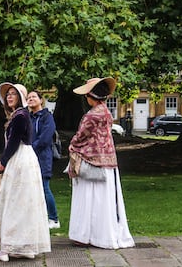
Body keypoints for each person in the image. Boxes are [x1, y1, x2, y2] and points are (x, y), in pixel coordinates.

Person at [67, 77, 135, 249]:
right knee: (104, 201)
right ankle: (102, 235)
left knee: (87, 198)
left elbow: (81, 136)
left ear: (91, 96)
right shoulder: (106, 112)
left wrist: (72, 145)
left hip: (91, 162)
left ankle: (84, 235)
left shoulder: (91, 116)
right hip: (108, 162)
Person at [0, 82, 51, 262]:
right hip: (25, 158)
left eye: (13, 94)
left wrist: (2, 162)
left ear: (21, 97)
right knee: (23, 201)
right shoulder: (21, 115)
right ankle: (24, 246)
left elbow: (13, 142)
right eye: (8, 94)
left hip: (20, 159)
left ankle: (7, 248)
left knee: (14, 201)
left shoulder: (20, 116)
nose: (9, 97)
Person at [27, 90, 60, 229]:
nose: (31, 99)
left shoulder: (47, 117)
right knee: (30, 188)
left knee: (44, 187)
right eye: (28, 97)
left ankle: (54, 219)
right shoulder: (27, 117)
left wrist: (30, 149)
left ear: (41, 100)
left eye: (34, 97)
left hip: (42, 157)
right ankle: (35, 218)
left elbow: (45, 138)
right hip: (28, 157)